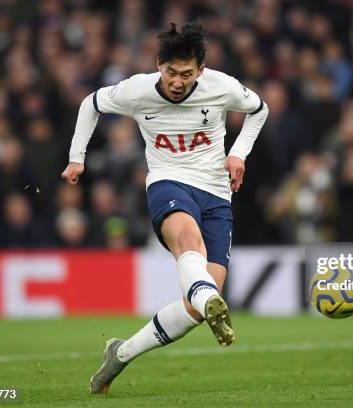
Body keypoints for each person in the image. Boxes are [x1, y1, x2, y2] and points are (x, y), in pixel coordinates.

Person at [60, 22, 268, 394]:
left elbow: (259, 109)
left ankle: (122, 354)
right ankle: (208, 299)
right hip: (167, 181)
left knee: (196, 308)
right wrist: (77, 158)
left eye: (186, 74)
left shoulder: (220, 86)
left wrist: (238, 153)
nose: (176, 81)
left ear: (200, 71)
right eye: (170, 72)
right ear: (159, 64)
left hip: (217, 193)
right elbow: (89, 104)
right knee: (190, 245)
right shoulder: (137, 90)